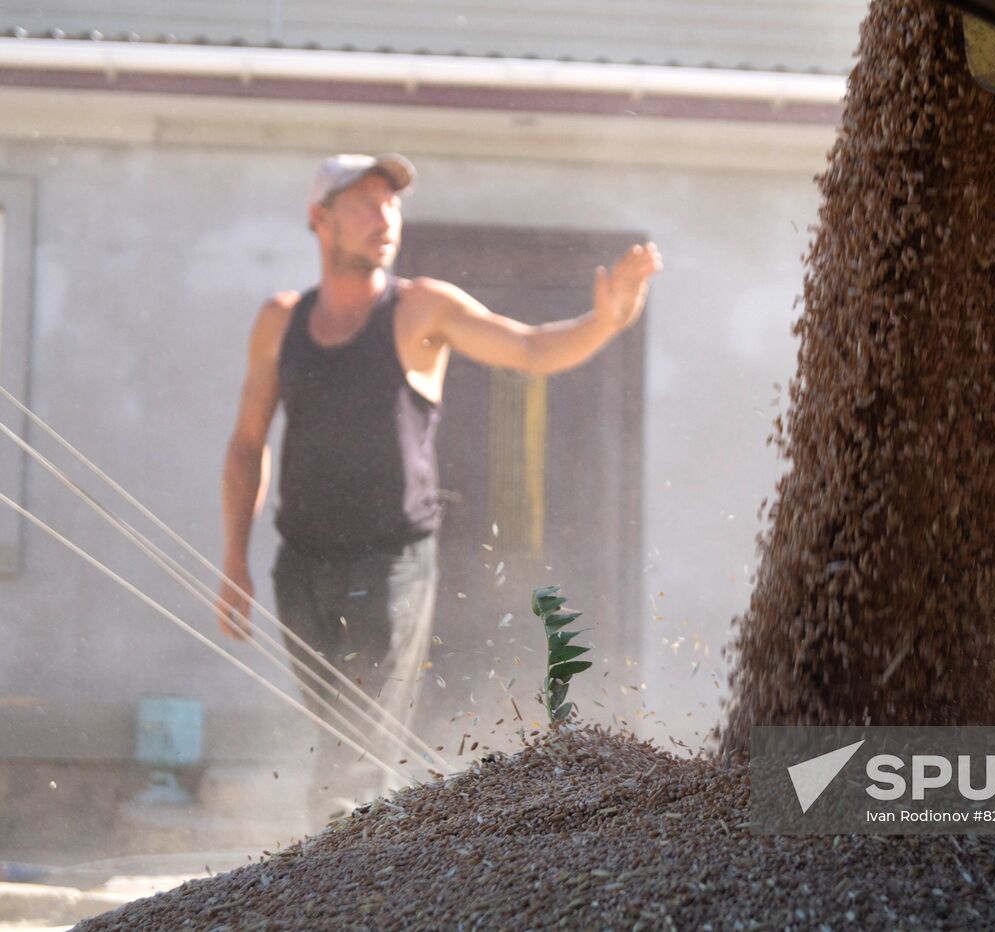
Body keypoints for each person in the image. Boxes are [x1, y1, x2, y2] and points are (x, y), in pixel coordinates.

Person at [213, 153, 661, 820]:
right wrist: (235, 563)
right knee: (341, 735)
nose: (383, 217)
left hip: (390, 562)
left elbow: (532, 349)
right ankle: (385, 857)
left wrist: (605, 323)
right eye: (363, 204)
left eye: (390, 203)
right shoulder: (279, 321)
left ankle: (345, 892)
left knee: (353, 754)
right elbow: (248, 445)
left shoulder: (421, 306)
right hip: (299, 566)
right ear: (319, 219)